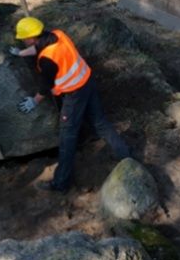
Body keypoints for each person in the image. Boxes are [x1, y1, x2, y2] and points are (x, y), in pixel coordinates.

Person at [12, 17, 131, 192]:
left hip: (74, 94)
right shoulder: (58, 34)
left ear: (30, 38)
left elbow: (45, 86)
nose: (23, 41)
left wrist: (34, 101)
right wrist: (22, 53)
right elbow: (40, 46)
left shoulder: (46, 59)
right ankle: (126, 156)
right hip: (87, 80)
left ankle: (61, 183)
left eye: (23, 39)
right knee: (100, 122)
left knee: (67, 137)